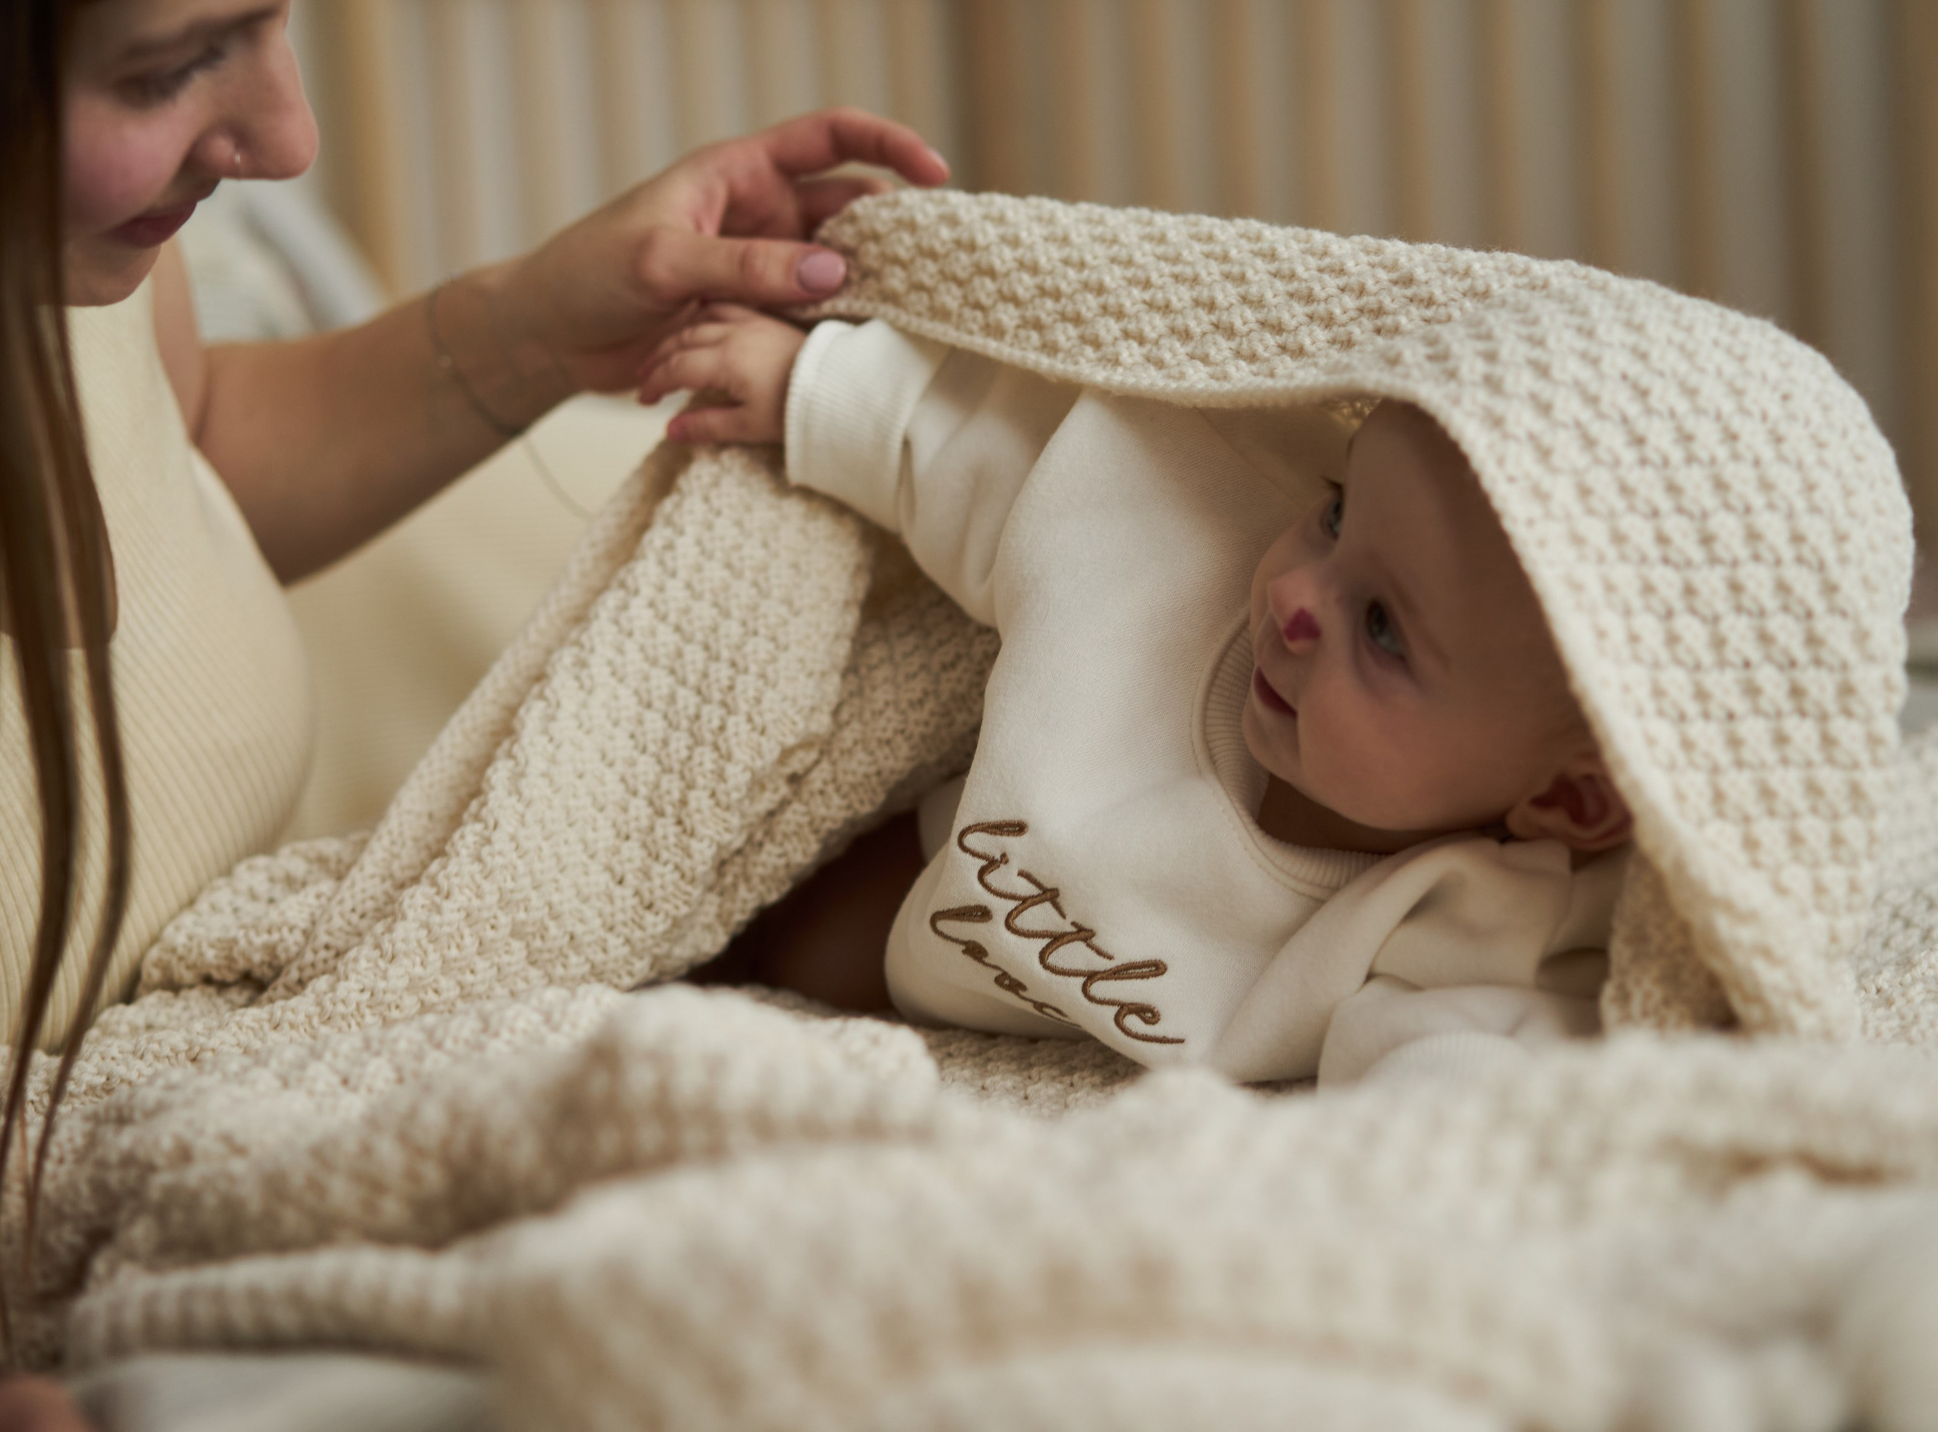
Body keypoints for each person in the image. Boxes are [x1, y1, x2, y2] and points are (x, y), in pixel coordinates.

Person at [0, 0, 945, 1427]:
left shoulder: (69, 276)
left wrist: (535, 322)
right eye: (177, 62)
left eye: (279, 18)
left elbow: (193, 460)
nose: (288, 134)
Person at [651, 305, 1631, 1081]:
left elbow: (1454, 1082)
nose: (1291, 596)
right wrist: (810, 387)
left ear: (1569, 798)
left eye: (1381, 628)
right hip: (890, 874)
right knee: (750, 922)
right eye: (1334, 515)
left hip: (961, 1013)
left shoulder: (1478, 921)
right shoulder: (1173, 539)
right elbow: (990, 459)